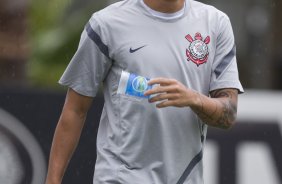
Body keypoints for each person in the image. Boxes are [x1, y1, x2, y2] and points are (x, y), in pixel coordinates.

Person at [45, 0, 244, 183]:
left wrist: (194, 99)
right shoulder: (106, 24)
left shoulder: (215, 23)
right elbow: (75, 110)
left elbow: (229, 114)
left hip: (184, 177)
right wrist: (52, 180)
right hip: (120, 177)